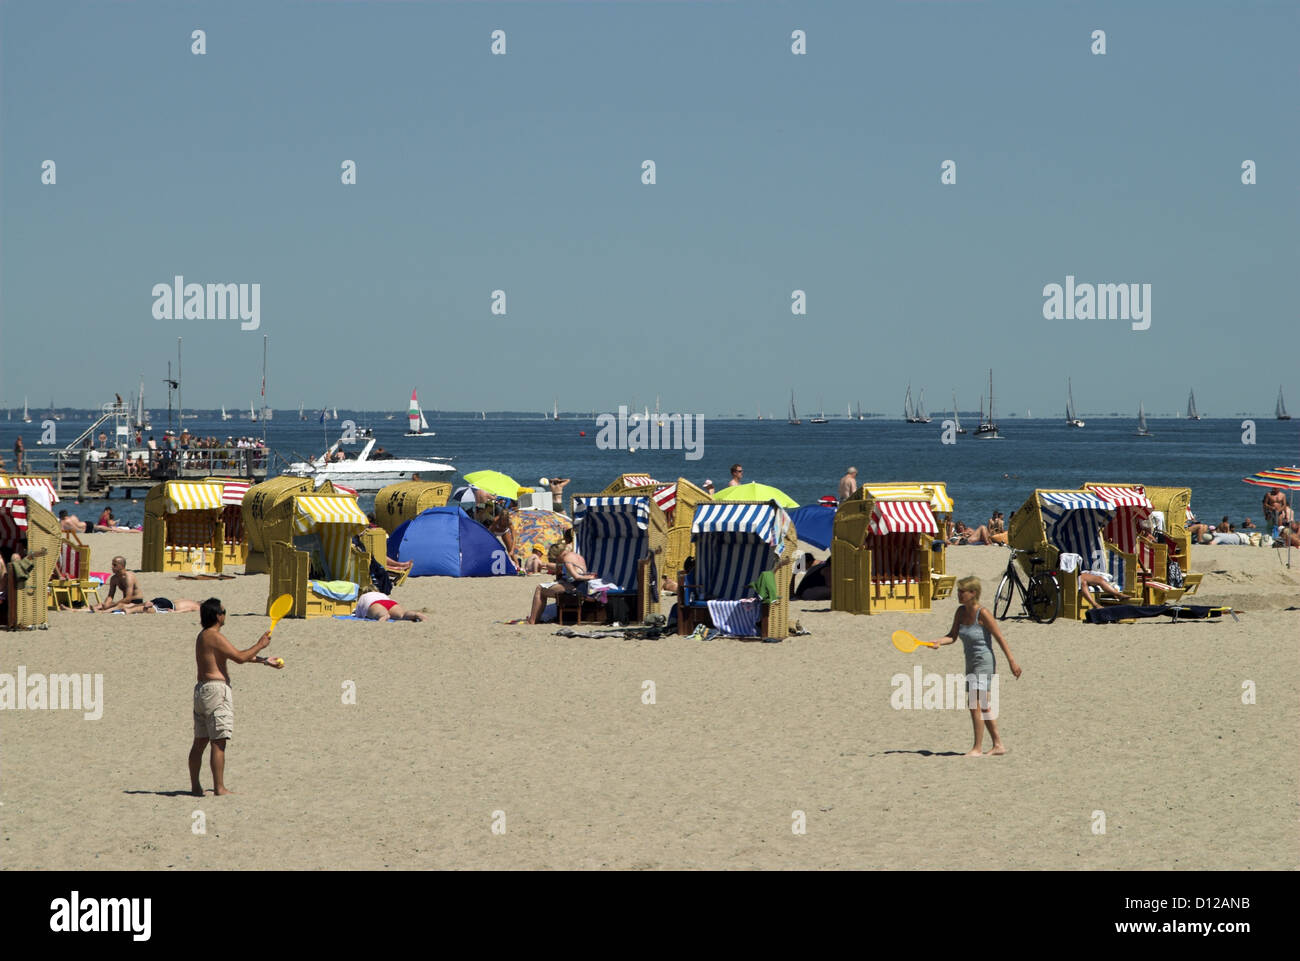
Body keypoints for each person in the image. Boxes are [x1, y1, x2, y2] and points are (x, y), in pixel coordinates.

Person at [189, 598, 281, 796]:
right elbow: (239, 657)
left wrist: (264, 661)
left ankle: (195, 787)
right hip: (216, 692)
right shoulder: (214, 636)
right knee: (218, 741)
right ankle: (220, 788)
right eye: (224, 610)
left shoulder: (203, 636)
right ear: (217, 615)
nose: (225, 614)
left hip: (201, 691)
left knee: (200, 742)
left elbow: (232, 656)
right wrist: (260, 644)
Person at [929, 576, 1021, 756]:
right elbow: (953, 636)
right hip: (970, 662)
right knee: (984, 705)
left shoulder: (983, 613)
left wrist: (1012, 661)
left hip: (984, 661)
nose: (958, 594)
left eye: (962, 591)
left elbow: (999, 638)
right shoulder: (960, 612)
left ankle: (977, 748)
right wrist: (938, 641)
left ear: (973, 593)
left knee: (974, 703)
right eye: (958, 591)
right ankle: (998, 745)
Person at [525, 543, 597, 623]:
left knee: (540, 589)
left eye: (556, 558)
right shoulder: (577, 555)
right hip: (582, 586)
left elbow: (576, 576)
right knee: (548, 586)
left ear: (558, 554)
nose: (556, 560)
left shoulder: (567, 559)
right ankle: (534, 619)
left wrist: (590, 577)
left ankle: (532, 620)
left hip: (575, 587)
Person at [354, 590, 428, 622]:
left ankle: (384, 616)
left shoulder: (363, 596)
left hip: (375, 603)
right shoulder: (382, 594)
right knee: (402, 615)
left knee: (382, 614)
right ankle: (416, 614)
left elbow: (358, 614)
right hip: (390, 602)